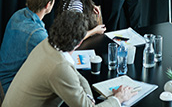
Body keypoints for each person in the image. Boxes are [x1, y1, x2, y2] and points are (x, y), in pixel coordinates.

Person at [2, 11, 136, 106]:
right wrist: (118, 98)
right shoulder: (59, 67)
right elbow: (67, 72)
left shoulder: (47, 43)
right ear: (79, 43)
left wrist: (88, 99)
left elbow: (75, 75)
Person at [0, 0, 60, 94]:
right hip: (8, 88)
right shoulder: (37, 34)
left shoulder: (18, 15)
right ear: (48, 5)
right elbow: (57, 59)